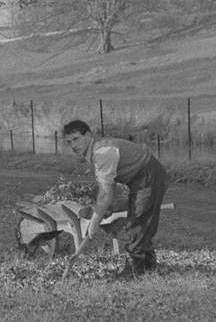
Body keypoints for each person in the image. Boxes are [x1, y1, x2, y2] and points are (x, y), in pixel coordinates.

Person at [62, 119, 168, 279]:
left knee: (138, 221)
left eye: (76, 139)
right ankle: (148, 266)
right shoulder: (95, 150)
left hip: (148, 175)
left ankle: (135, 269)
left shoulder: (101, 152)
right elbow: (109, 187)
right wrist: (104, 210)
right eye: (69, 142)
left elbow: (105, 193)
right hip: (139, 177)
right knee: (140, 219)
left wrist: (94, 221)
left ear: (88, 135)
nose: (73, 145)